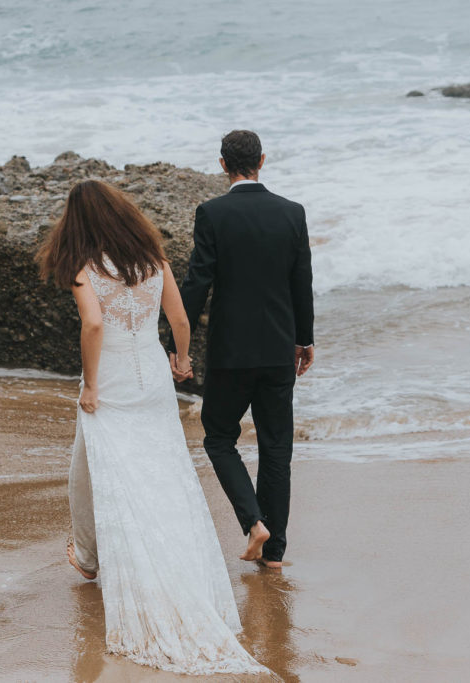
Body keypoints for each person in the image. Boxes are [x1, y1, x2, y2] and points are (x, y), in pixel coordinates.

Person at [36, 180, 268, 675]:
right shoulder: (151, 260)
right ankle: (100, 554)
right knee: (158, 469)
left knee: (104, 470)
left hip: (114, 378)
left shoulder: (84, 269)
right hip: (153, 376)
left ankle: (93, 557)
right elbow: (181, 317)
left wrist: (91, 386)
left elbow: (94, 326)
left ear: (77, 224)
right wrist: (182, 361)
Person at [168, 129, 314, 570]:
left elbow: (197, 282)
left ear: (222, 164)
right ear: (262, 161)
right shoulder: (291, 213)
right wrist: (304, 340)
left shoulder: (212, 213)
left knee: (218, 437)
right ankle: (273, 553)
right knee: (276, 448)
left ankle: (253, 522)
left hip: (231, 353)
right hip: (276, 351)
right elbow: (300, 282)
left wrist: (177, 345)